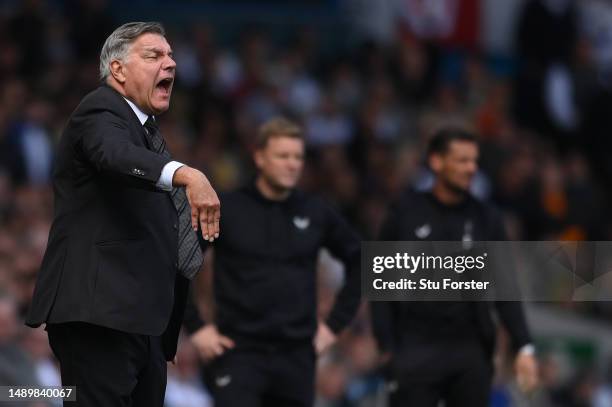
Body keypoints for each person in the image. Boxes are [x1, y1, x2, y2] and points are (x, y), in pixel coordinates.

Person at [25, 22, 220, 407]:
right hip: (101, 317)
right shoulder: (100, 109)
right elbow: (113, 155)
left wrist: (165, 333)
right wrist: (185, 172)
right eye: (153, 56)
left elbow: (163, 237)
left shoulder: (146, 134)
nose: (170, 64)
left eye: (170, 55)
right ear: (117, 70)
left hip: (144, 325)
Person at [188, 117, 361, 407]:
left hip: (297, 358)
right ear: (259, 157)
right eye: (282, 156)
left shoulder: (316, 212)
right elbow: (180, 265)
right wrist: (196, 327)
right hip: (237, 353)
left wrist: (334, 326)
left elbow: (361, 262)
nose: (292, 164)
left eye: (297, 157)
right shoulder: (228, 209)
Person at [372, 127, 538, 407]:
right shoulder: (405, 214)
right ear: (437, 162)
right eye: (461, 160)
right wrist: (386, 346)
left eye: (474, 161)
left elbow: (506, 292)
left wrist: (524, 345)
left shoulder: (488, 219)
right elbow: (381, 286)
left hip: (470, 350)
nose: (471, 168)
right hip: (415, 345)